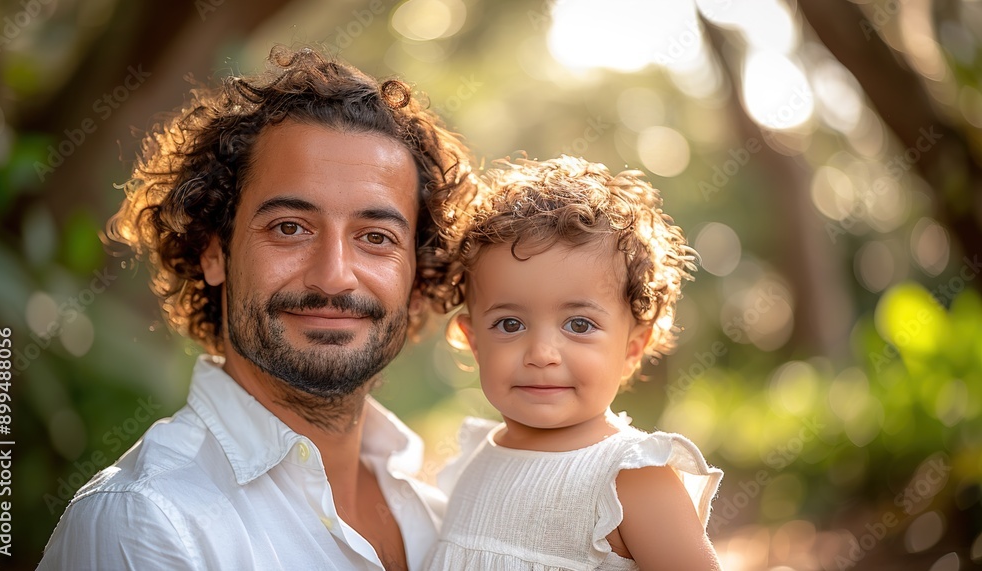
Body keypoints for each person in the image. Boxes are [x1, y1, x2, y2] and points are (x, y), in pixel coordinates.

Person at [37, 45, 477, 570]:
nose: (334, 275)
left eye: (376, 236)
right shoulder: (146, 521)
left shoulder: (449, 523)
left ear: (417, 275)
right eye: (289, 228)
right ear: (213, 250)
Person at [423, 156, 725, 569]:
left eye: (579, 324)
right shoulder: (472, 463)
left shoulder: (630, 479)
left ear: (633, 348)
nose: (542, 354)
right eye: (510, 323)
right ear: (474, 343)